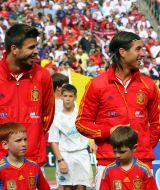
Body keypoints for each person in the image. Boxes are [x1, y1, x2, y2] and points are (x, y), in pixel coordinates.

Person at [75, 31, 160, 189]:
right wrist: (108, 132)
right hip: (108, 162)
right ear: (123, 52)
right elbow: (82, 124)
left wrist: (143, 147)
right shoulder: (96, 85)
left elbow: (158, 123)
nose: (142, 54)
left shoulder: (149, 85)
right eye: (138, 49)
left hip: (142, 162)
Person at [0, 23, 55, 166]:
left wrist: (35, 140)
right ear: (14, 49)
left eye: (36, 46)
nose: (36, 51)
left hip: (33, 161)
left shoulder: (43, 76)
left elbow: (47, 117)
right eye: (31, 47)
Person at [48, 84, 93, 190]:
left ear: (75, 97)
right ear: (61, 97)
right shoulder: (56, 118)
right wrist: (60, 160)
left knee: (81, 187)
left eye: (70, 96)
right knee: (66, 187)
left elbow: (92, 131)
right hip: (65, 155)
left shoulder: (82, 115)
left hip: (81, 155)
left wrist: (93, 143)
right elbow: (54, 141)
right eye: (65, 96)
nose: (67, 99)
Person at [100, 126, 158, 190]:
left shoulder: (144, 169)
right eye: (115, 152)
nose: (117, 155)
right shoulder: (108, 170)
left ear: (134, 148)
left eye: (122, 152)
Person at [0, 122, 50, 189]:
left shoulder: (34, 167)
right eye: (18, 140)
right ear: (5, 145)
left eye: (25, 140)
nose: (24, 144)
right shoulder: (1, 169)